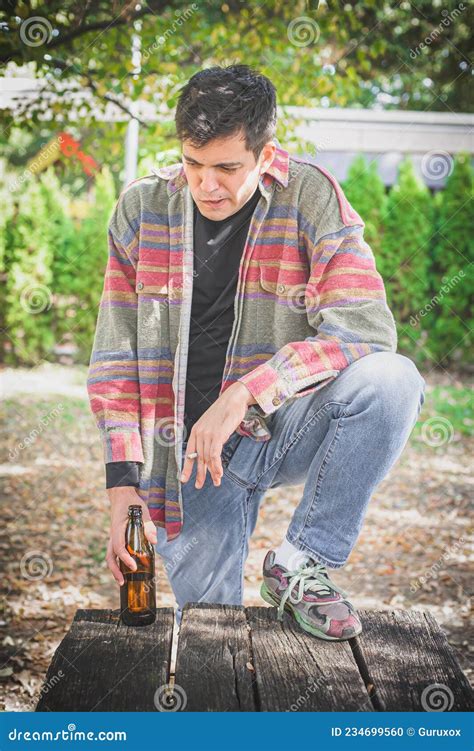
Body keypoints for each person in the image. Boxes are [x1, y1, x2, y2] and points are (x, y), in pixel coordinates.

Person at [87, 65, 426, 641]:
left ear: (264, 151)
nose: (206, 185)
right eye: (193, 164)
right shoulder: (141, 209)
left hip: (277, 427)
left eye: (226, 167)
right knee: (214, 638)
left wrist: (246, 392)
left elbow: (363, 330)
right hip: (185, 463)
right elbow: (115, 359)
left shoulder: (311, 196)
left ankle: (300, 561)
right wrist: (124, 489)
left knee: (392, 381)